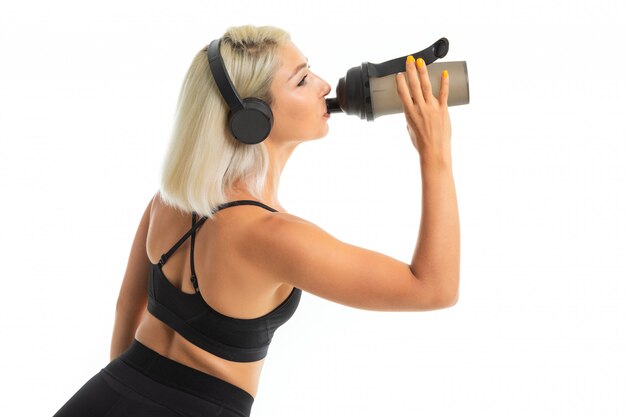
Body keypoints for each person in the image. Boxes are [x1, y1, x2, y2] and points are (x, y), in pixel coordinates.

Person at [52, 24, 460, 417]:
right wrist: (435, 153)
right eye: (301, 80)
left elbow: (128, 305)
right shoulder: (273, 237)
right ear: (252, 118)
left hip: (104, 394)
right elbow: (434, 288)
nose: (323, 85)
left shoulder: (171, 198)